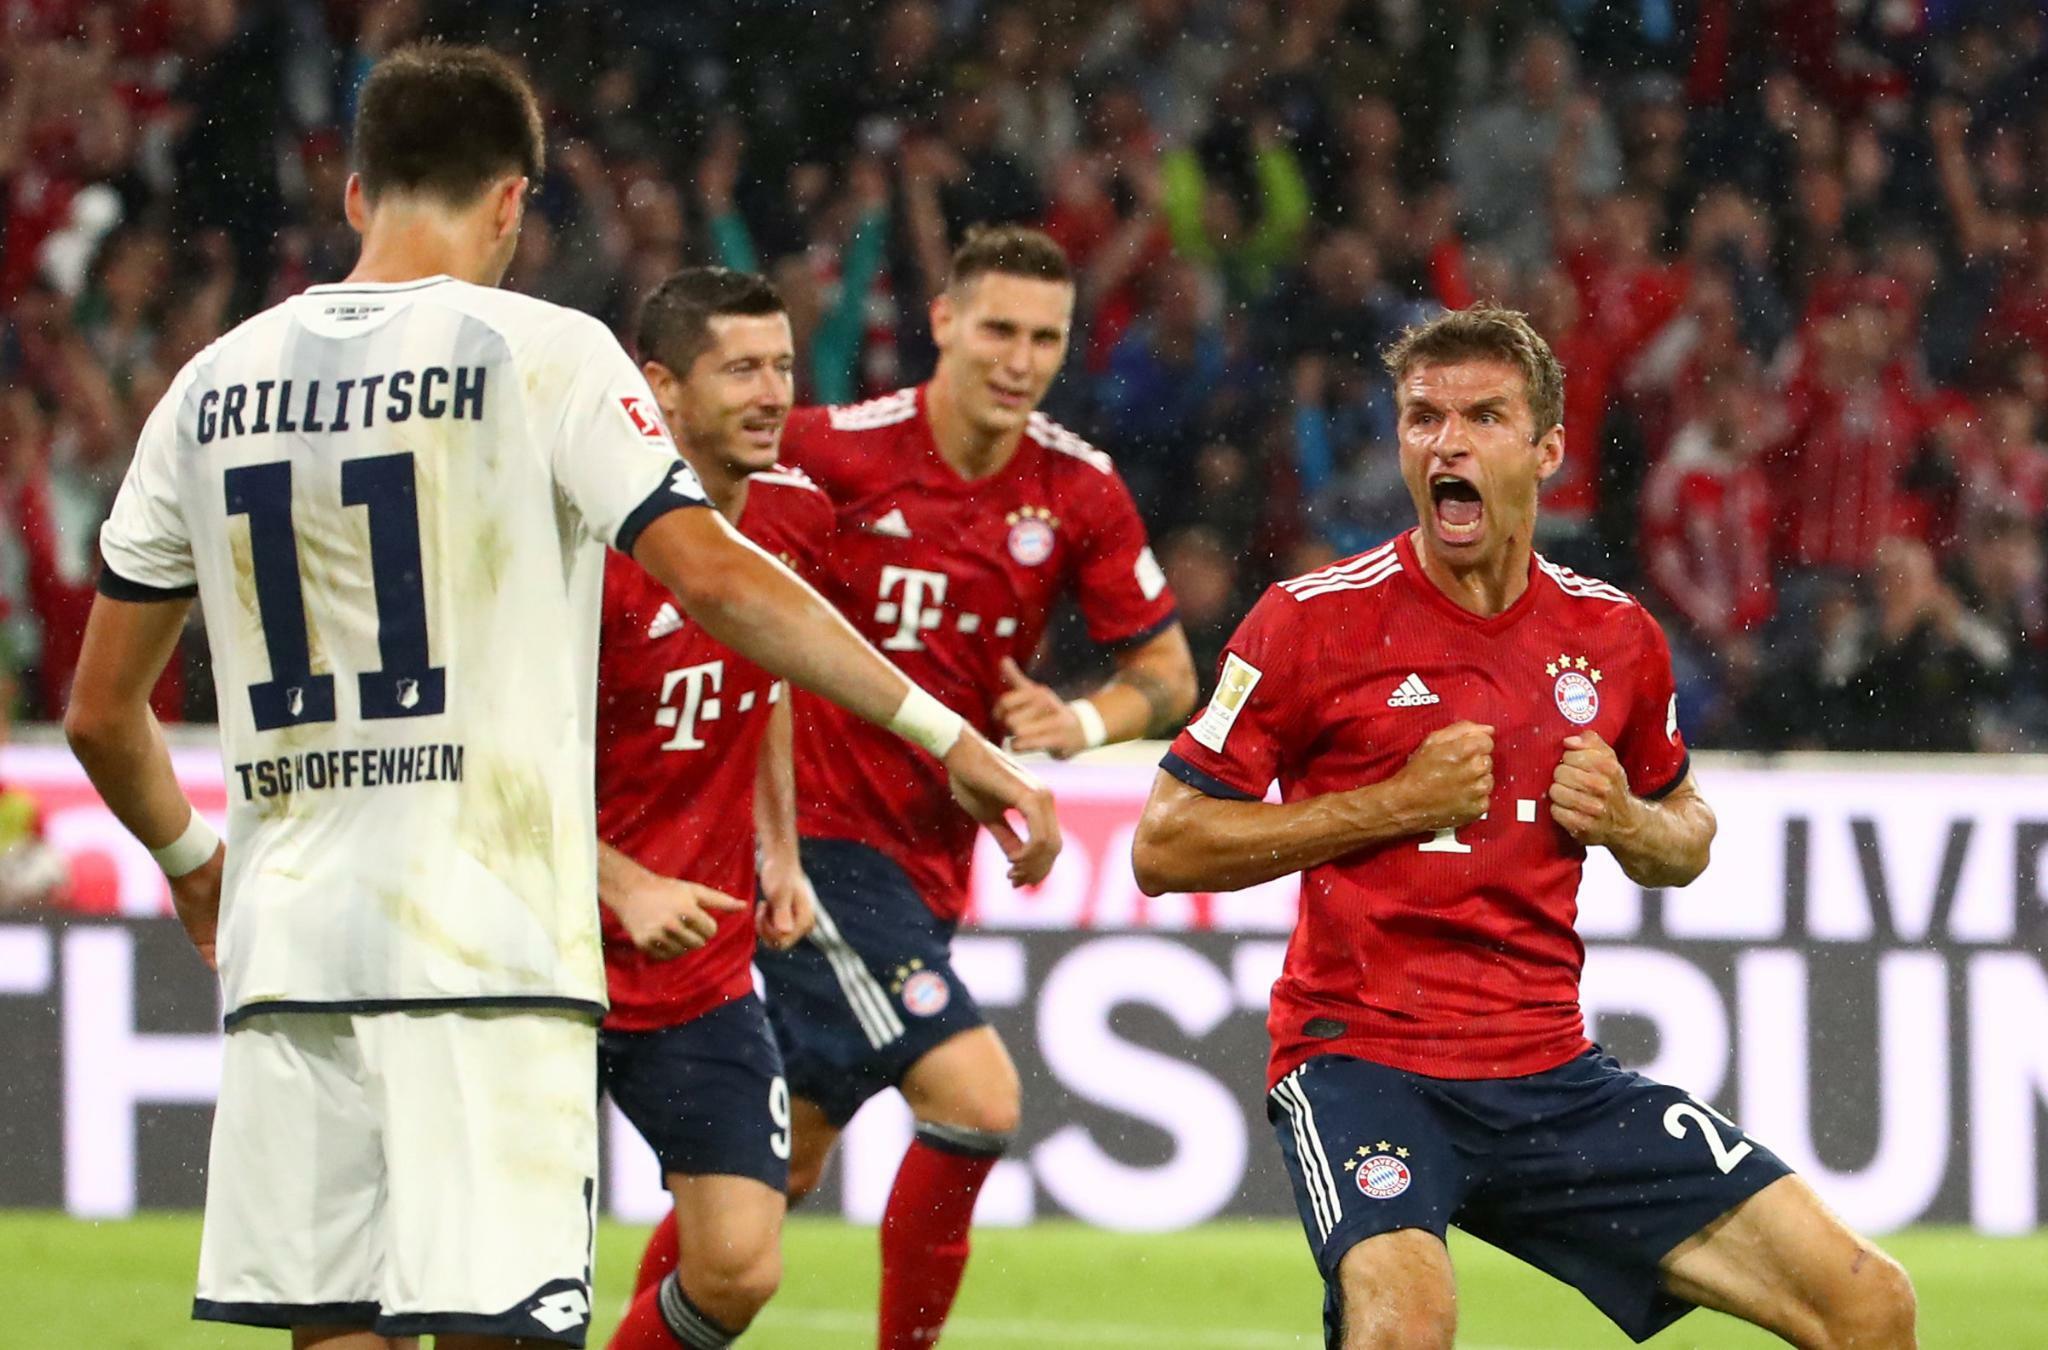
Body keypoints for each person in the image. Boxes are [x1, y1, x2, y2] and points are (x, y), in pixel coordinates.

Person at [61, 45, 1057, 1350]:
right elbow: (718, 579)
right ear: (512, 202)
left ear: (356, 194)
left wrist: (197, 864)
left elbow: (101, 715)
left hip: (292, 946)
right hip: (485, 948)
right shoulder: (543, 354)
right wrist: (943, 731)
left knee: (335, 1329)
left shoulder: (207, 387)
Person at [1131, 306, 1918, 1350]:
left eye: (1483, 417)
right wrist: (1393, 805)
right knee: (1404, 1329)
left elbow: (1687, 833)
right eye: (1423, 418)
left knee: (1868, 1304)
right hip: (1362, 1062)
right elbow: (1164, 842)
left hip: (1549, 1072)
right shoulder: (1308, 620)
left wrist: (1628, 821)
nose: (1446, 443)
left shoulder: (1614, 634)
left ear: (1547, 450)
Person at [759, 224, 1198, 1350]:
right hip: (815, 844)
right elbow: (707, 564)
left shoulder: (1076, 490)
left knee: (770, 1181)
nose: (1020, 359)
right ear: (944, 322)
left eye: (1045, 338)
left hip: (926, 866)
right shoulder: (831, 452)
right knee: (978, 1100)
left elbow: (1168, 674)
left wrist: (1078, 721)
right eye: (998, 329)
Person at [593, 268, 829, 1350]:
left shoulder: (794, 517)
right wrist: (620, 881)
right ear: (662, 387)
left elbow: (766, 673)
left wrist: (779, 847)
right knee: (508, 1289)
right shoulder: (587, 546)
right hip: (544, 959)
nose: (772, 393)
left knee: (737, 1268)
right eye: (740, 369)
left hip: (700, 963)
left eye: (781, 365)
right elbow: (497, 762)